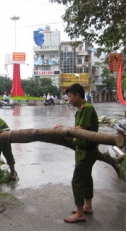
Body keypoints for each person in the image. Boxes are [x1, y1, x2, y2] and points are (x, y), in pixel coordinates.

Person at [54, 83, 99, 223]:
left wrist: (65, 130)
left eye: (70, 96)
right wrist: (64, 128)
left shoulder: (87, 108)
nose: (69, 99)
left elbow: (81, 129)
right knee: (86, 178)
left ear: (77, 95)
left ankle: (79, 213)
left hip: (87, 151)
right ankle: (87, 206)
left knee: (77, 180)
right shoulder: (81, 109)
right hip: (83, 150)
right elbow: (78, 128)